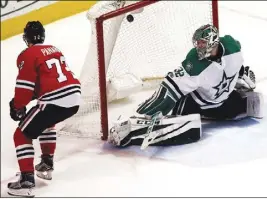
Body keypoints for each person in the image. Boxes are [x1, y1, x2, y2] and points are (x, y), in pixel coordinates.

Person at [108, 24, 264, 150]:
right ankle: (134, 127)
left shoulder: (232, 48)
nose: (198, 47)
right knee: (187, 121)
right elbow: (169, 90)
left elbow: (235, 66)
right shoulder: (194, 62)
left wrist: (243, 74)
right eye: (197, 43)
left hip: (221, 104)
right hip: (194, 104)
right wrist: (145, 114)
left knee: (248, 106)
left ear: (212, 42)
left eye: (202, 42)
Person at [7, 21, 81, 197]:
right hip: (74, 97)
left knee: (21, 135)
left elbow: (25, 87)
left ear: (26, 38)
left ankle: (26, 180)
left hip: (55, 100)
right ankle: (46, 164)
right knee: (48, 121)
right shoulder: (54, 49)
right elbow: (46, 83)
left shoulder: (27, 54)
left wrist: (17, 106)